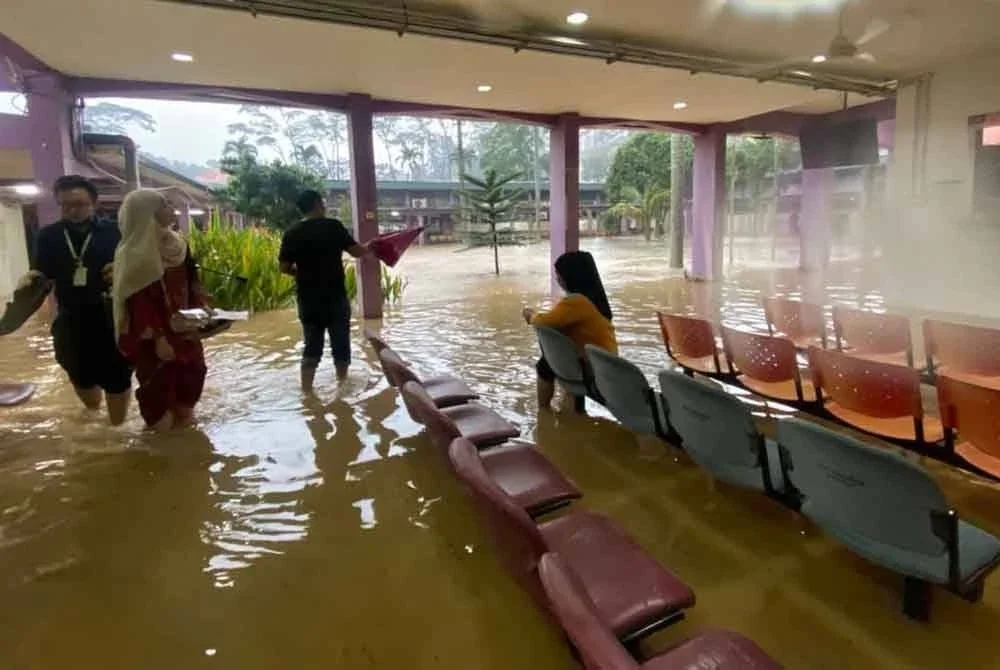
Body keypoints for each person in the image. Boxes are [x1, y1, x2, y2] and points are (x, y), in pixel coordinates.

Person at [18, 175, 132, 424]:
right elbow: (42, 273)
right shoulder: (49, 236)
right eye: (65, 205)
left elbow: (134, 267)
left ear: (93, 202)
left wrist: (120, 268)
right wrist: (30, 280)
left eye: (79, 204)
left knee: (118, 375)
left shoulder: (114, 232)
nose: (72, 210)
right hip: (71, 317)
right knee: (79, 373)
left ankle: (117, 430)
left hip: (110, 316)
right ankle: (93, 416)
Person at [112, 189, 209, 431]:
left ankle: (188, 460)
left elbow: (192, 281)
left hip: (185, 328)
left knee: (190, 388)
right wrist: (158, 338)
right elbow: (137, 302)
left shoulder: (178, 245)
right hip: (154, 337)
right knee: (159, 404)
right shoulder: (132, 254)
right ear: (147, 212)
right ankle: (158, 459)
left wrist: (203, 311)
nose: (170, 210)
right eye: (164, 205)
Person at [279, 190, 373, 391]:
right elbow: (357, 252)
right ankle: (341, 385)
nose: (324, 205)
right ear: (316, 204)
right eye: (322, 202)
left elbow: (284, 268)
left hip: (308, 299)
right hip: (335, 297)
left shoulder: (292, 232)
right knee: (341, 345)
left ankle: (306, 392)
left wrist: (302, 273)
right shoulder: (333, 227)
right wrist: (371, 247)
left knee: (311, 346)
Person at [522, 251, 617, 411]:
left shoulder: (577, 302)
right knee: (548, 361)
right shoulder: (593, 298)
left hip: (592, 368)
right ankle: (569, 410)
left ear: (571, 276)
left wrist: (530, 314)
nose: (557, 279)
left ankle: (543, 411)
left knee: (545, 364)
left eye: (559, 274)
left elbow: (542, 322)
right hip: (604, 364)